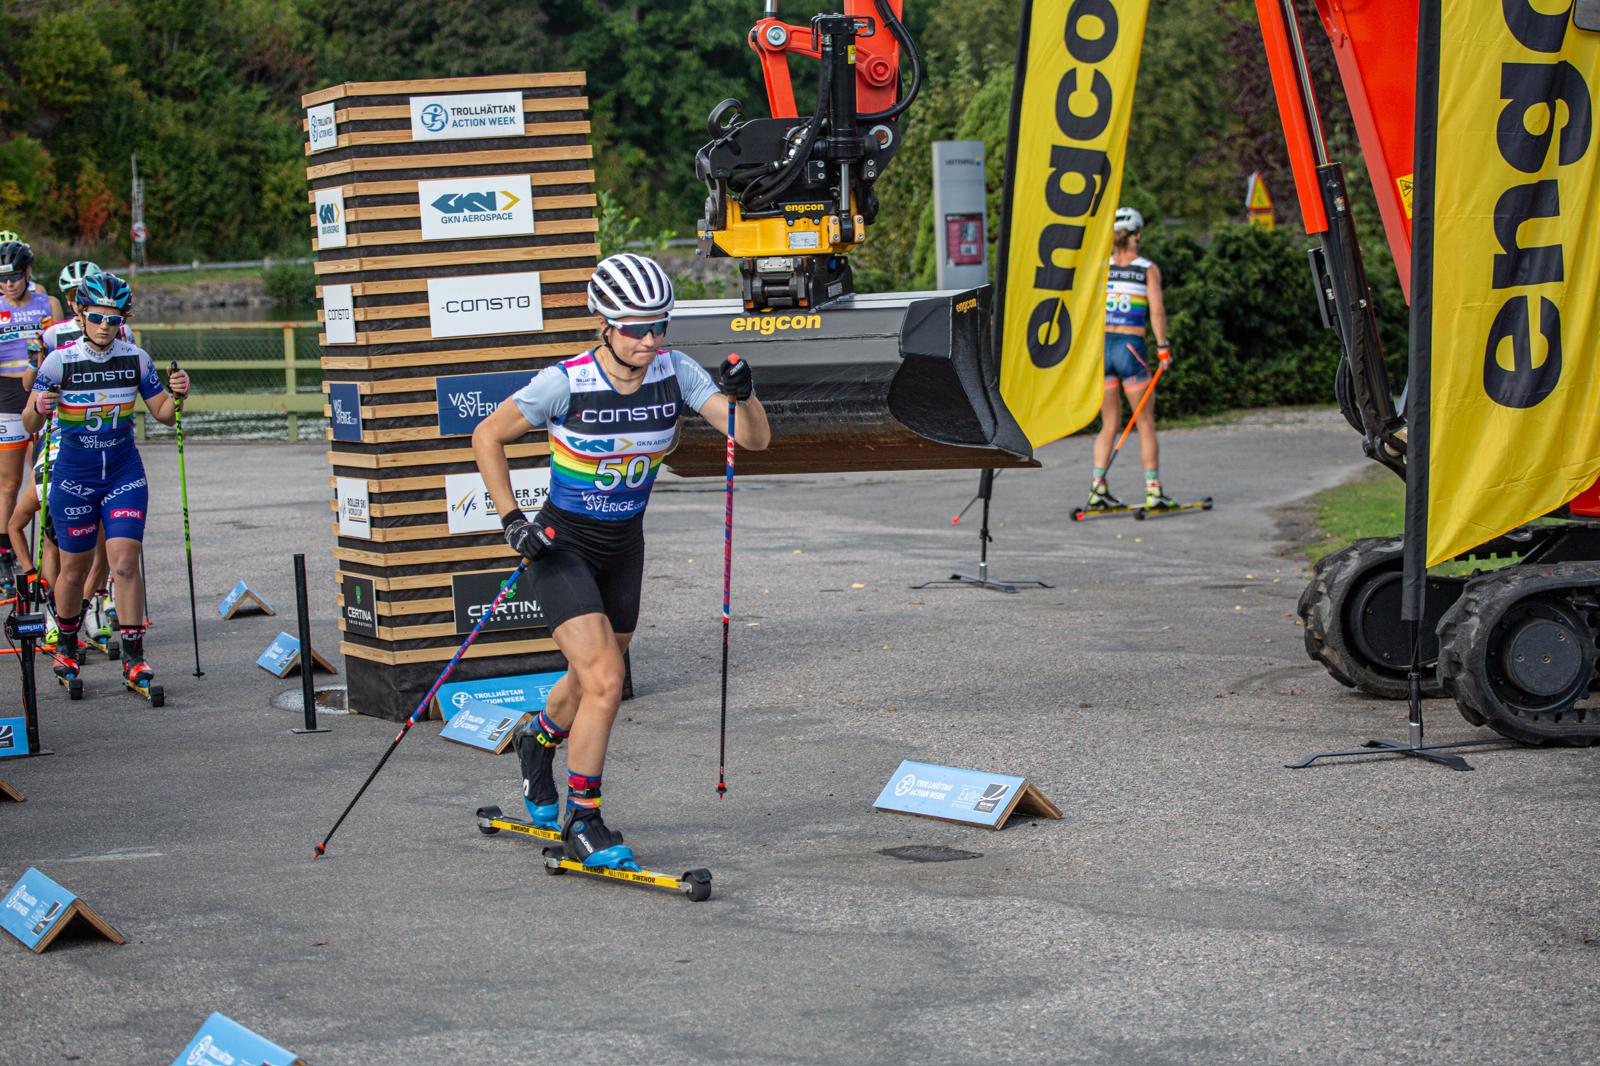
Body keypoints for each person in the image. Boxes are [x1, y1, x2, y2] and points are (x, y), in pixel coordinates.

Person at [471, 253, 770, 868]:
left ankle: (536, 738)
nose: (650, 339)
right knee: (606, 681)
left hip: (623, 548)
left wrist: (746, 395)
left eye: (659, 324)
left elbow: (752, 437)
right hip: (562, 547)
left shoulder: (676, 372)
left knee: (589, 680)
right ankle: (585, 817)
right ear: (602, 322)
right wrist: (512, 522)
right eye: (635, 327)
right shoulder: (566, 382)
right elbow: (487, 436)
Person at [24, 271, 189, 693]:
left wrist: (180, 394)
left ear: (124, 320)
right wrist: (40, 407)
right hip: (74, 477)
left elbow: (165, 414)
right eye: (96, 317)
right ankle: (64, 644)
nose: (104, 326)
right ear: (80, 314)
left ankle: (134, 656)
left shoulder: (137, 358)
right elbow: (28, 421)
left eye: (113, 319)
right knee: (74, 570)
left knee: (125, 563)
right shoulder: (58, 361)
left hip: (123, 473)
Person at [1089, 207, 1176, 512]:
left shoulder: (1102, 266)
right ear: (1138, 234)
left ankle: (1097, 488)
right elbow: (1157, 311)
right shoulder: (1146, 269)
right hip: (1130, 348)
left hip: (1103, 348)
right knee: (1145, 422)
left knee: (1109, 424)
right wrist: (1163, 347)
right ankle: (1153, 490)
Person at [0, 241, 64, 572]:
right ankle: (4, 549)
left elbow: (60, 347)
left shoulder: (47, 302)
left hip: (40, 390)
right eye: (2, 279)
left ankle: (54, 540)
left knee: (41, 477)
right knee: (9, 482)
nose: (9, 284)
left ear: (26, 273)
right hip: (6, 393)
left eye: (14, 276)